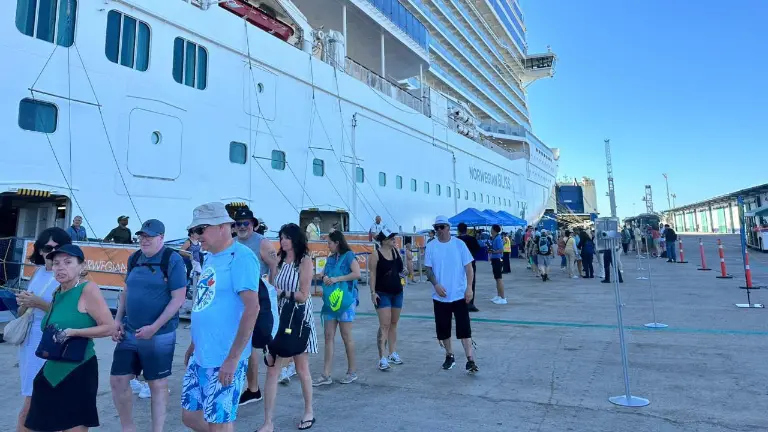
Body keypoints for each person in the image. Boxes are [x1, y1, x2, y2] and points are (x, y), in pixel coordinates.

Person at [181, 202, 261, 431]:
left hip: (224, 355)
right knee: (189, 416)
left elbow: (252, 308)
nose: (196, 235)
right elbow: (207, 301)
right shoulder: (210, 256)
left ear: (223, 227)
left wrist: (233, 359)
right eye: (193, 231)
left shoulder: (241, 258)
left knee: (218, 422)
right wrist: (194, 342)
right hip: (202, 352)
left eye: (201, 229)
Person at [24, 244, 115, 432]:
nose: (61, 267)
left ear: (82, 266)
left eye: (68, 262)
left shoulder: (87, 289)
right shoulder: (58, 292)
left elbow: (109, 327)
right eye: (56, 263)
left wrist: (74, 332)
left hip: (78, 369)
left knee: (74, 426)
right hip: (52, 367)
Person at [111, 219, 187, 432]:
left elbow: (178, 299)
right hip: (130, 331)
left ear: (161, 237)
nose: (144, 240)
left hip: (159, 335)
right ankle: (128, 428)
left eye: (149, 237)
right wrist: (117, 320)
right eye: (142, 236)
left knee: (157, 384)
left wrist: (154, 327)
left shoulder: (172, 259)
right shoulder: (134, 258)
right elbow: (126, 291)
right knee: (118, 379)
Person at [258, 223, 317, 432]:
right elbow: (272, 286)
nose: (283, 241)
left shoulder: (305, 261)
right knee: (272, 369)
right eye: (281, 237)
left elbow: (304, 295)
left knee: (302, 367)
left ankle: (309, 411)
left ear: (296, 239)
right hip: (279, 319)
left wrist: (281, 293)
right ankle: (268, 422)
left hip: (298, 319)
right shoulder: (280, 260)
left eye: (287, 237)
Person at [14, 227, 72, 432]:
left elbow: (70, 314)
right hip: (31, 342)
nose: (53, 252)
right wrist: (24, 303)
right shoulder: (38, 273)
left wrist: (38, 303)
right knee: (32, 397)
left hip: (54, 342)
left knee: (44, 400)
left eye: (58, 247)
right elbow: (22, 312)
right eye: (48, 248)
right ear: (40, 250)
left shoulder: (69, 276)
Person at [232, 208, 280, 407]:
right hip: (238, 298)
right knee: (242, 342)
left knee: (251, 343)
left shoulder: (262, 243)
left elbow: (274, 266)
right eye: (239, 223)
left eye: (246, 223)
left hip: (258, 297)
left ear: (253, 224)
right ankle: (250, 388)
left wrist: (273, 290)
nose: (242, 227)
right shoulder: (233, 242)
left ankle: (254, 388)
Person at [424, 216, 478, 373]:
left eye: (442, 227)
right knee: (443, 328)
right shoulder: (431, 246)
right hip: (440, 296)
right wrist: (436, 284)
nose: (439, 230)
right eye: (436, 228)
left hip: (459, 294)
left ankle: (470, 360)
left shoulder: (459, 244)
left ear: (448, 227)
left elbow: (469, 268)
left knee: (464, 328)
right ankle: (449, 355)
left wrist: (469, 288)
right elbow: (428, 269)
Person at [313, 230, 361, 386]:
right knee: (328, 336)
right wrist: (324, 277)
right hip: (331, 301)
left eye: (329, 243)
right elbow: (323, 273)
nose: (328, 246)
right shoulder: (331, 258)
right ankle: (326, 374)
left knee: (346, 335)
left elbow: (357, 273)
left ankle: (352, 371)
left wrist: (337, 279)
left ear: (337, 242)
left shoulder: (349, 256)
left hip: (345, 301)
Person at [368, 228, 406, 371]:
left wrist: (404, 272)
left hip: (397, 292)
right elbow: (372, 275)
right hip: (382, 293)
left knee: (393, 323)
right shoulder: (375, 255)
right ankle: (382, 358)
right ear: (383, 240)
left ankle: (392, 353)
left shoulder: (396, 252)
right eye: (391, 238)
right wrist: (373, 293)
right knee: (384, 325)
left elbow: (401, 269)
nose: (394, 240)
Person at [456, 223, 481, 312]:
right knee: (471, 283)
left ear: (458, 230)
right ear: (466, 230)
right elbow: (478, 249)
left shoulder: (456, 240)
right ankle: (470, 303)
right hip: (470, 263)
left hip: (458, 264)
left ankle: (459, 303)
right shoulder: (472, 239)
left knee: (459, 283)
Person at [488, 224, 507, 305]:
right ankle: (499, 296)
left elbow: (501, 250)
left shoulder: (498, 238)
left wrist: (493, 251)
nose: (490, 230)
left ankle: (503, 298)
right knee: (497, 278)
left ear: (494, 230)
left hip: (497, 260)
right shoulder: (495, 238)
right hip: (495, 259)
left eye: (491, 229)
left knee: (499, 278)